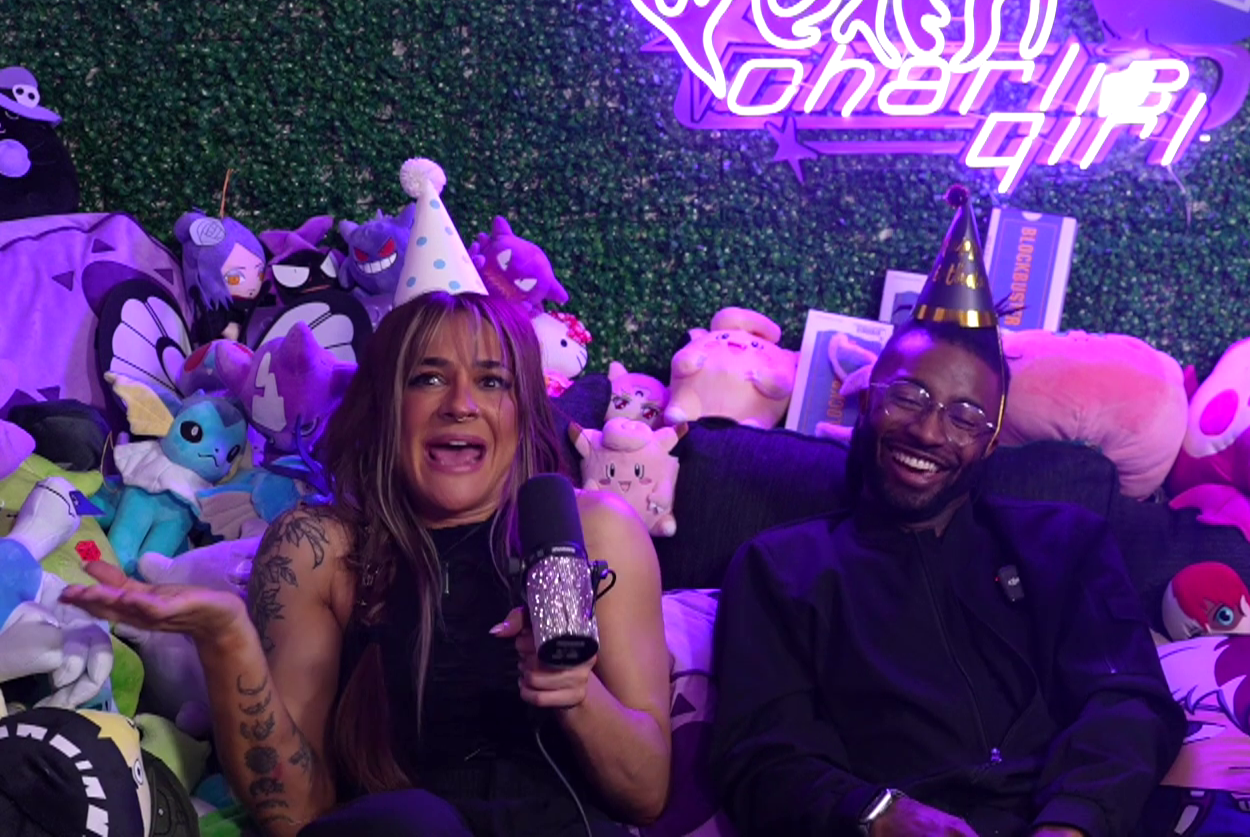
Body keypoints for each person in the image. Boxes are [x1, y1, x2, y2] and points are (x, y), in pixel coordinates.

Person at [62, 160, 672, 837]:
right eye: (428, 378)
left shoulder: (595, 531)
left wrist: (576, 692)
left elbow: (647, 793)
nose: (462, 404)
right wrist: (226, 637)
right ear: (385, 407)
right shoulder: (317, 549)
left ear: (523, 410)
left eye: (492, 381)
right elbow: (293, 815)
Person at [708, 189, 1183, 837]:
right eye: (909, 396)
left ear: (990, 442)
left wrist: (1072, 822)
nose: (930, 432)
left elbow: (1127, 700)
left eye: (965, 416)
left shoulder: (1066, 543)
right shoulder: (780, 570)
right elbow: (760, 758)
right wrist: (879, 815)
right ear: (868, 401)